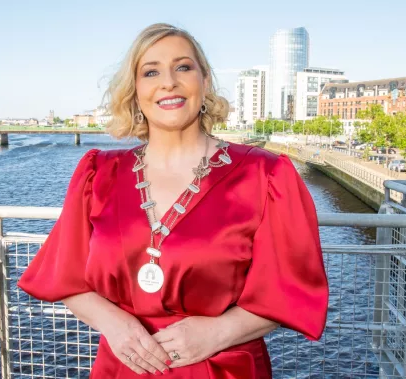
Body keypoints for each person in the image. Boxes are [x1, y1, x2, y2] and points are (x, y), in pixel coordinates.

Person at [18, 23, 328, 378]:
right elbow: (64, 277)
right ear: (135, 91)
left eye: (183, 67)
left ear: (205, 81)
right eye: (151, 71)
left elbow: (291, 289)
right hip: (124, 366)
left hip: (222, 367)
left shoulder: (265, 175)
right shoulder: (97, 174)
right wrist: (114, 324)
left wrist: (219, 332)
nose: (168, 82)